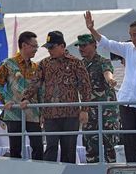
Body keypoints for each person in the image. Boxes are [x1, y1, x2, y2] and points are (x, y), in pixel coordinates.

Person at [84, 12, 136, 162]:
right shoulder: (128, 48)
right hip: (125, 100)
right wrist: (92, 29)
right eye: (131, 35)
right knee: (129, 139)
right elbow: (107, 43)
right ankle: (133, 168)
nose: (133, 38)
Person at [21, 31, 92, 164]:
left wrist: (84, 109)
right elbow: (35, 82)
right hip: (51, 115)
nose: (50, 51)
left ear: (62, 46)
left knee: (69, 149)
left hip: (70, 114)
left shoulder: (75, 63)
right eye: (48, 48)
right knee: (51, 147)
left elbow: (85, 87)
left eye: (52, 47)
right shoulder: (44, 64)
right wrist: (26, 98)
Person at [0, 31, 43, 160]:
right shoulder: (9, 64)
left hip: (33, 112)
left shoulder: (36, 67)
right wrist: (5, 99)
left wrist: (43, 111)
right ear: (24, 45)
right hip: (14, 112)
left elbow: (40, 90)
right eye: (34, 46)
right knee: (15, 148)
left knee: (38, 146)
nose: (36, 50)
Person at [75, 33, 119, 163]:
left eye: (84, 45)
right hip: (88, 111)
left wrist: (110, 80)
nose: (81, 49)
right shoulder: (79, 65)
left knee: (111, 146)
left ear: (94, 45)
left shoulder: (103, 61)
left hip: (106, 112)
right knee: (90, 146)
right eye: (79, 46)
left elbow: (107, 72)